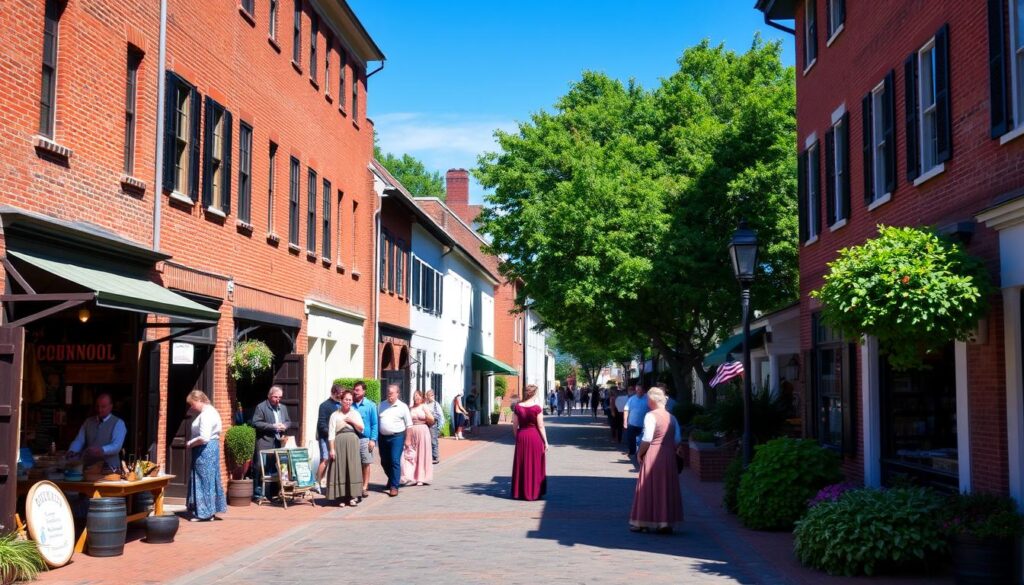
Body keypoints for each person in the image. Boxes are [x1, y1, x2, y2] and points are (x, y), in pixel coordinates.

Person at [629, 387, 683, 534]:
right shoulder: (672, 417)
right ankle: (665, 522)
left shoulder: (651, 416)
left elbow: (647, 438)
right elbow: (677, 439)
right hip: (669, 455)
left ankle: (643, 522)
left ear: (652, 400)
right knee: (666, 487)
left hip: (653, 453)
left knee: (647, 487)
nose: (647, 402)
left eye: (648, 399)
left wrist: (640, 453)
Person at [184, 390, 226, 521]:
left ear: (199, 400)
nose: (192, 407)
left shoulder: (207, 414)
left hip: (205, 450)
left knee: (203, 480)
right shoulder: (211, 411)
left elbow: (204, 437)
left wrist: (190, 443)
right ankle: (209, 511)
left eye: (192, 404)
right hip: (210, 449)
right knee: (210, 479)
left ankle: (204, 513)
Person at [251, 386, 291, 500]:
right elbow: (256, 423)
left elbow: (288, 421)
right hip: (264, 441)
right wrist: (272, 427)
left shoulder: (282, 408)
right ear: (269, 396)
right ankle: (258, 493)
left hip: (279, 441)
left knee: (276, 466)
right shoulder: (261, 407)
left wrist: (285, 426)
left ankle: (273, 492)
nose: (278, 400)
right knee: (261, 466)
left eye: (280, 397)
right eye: (275, 397)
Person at [67, 393, 126, 470]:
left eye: (103, 407)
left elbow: (116, 446)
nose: (99, 410)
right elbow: (79, 440)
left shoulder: (119, 423)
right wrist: (72, 451)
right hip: (89, 468)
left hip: (110, 470)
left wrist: (102, 450)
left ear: (111, 406)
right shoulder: (88, 422)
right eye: (97, 406)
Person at [511, 384, 548, 500]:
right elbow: (541, 426)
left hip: (522, 435)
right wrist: (546, 441)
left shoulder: (517, 407)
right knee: (535, 463)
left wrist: (517, 436)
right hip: (535, 437)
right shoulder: (537, 408)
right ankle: (534, 491)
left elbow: (514, 425)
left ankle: (520, 491)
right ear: (535, 393)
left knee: (521, 463)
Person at [327, 389, 364, 506]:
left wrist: (352, 421)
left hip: (352, 443)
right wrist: (332, 449)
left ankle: (353, 497)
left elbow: (361, 428)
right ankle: (341, 497)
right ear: (341, 400)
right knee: (341, 469)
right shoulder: (335, 415)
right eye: (346, 399)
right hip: (339, 443)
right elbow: (331, 433)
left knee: (352, 468)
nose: (348, 402)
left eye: (350, 400)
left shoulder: (355, 413)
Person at [378, 384, 413, 497]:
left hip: (397, 437)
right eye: (388, 393)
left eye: (392, 393)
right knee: (384, 461)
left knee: (394, 460)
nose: (389, 395)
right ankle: (392, 478)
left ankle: (394, 486)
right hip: (382, 437)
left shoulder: (403, 407)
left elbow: (409, 425)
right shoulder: (381, 405)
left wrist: (408, 440)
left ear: (397, 393)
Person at [401, 391, 435, 486]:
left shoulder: (424, 406)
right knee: (411, 454)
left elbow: (432, 420)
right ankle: (411, 476)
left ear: (421, 397)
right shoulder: (410, 408)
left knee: (422, 454)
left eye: (418, 396)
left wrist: (426, 418)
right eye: (414, 396)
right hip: (412, 431)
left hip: (422, 431)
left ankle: (421, 477)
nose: (416, 398)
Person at [352, 381, 378, 499]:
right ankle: (355, 486)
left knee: (365, 463)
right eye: (354, 390)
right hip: (352, 439)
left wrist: (373, 439)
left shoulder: (370, 405)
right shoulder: (350, 404)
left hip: (365, 439)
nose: (355, 392)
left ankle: (365, 487)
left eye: (358, 390)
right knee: (354, 464)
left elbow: (375, 424)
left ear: (364, 391)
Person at [316, 384, 344, 491]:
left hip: (336, 437)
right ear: (334, 393)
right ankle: (316, 482)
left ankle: (324, 480)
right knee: (325, 458)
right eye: (339, 394)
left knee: (331, 460)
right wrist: (331, 434)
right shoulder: (324, 405)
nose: (341, 397)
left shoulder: (340, 405)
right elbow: (321, 424)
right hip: (325, 437)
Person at [623, 385, 649, 470]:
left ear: (644, 391)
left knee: (640, 441)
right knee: (631, 439)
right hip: (632, 423)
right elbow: (626, 410)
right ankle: (633, 452)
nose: (639, 392)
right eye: (637, 390)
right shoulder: (632, 399)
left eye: (640, 390)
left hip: (643, 425)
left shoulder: (647, 399)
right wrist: (625, 421)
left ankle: (638, 455)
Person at [425, 389, 445, 464]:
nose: (428, 397)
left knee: (433, 441)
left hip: (433, 425)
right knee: (427, 441)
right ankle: (428, 456)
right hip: (426, 424)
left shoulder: (436, 404)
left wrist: (440, 427)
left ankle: (435, 457)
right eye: (428, 395)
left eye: (430, 395)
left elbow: (440, 415)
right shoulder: (425, 404)